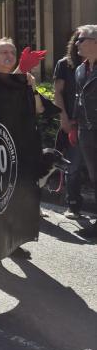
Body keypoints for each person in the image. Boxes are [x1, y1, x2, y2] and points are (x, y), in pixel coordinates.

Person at [53, 32, 85, 216]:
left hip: (91, 123)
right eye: (79, 40)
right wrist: (63, 118)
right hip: (72, 123)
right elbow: (58, 93)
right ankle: (73, 204)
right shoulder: (64, 64)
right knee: (72, 165)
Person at [72, 26, 97, 240]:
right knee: (94, 176)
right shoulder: (80, 69)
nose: (77, 43)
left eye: (81, 40)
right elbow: (78, 99)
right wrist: (74, 124)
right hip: (86, 131)